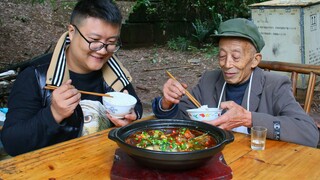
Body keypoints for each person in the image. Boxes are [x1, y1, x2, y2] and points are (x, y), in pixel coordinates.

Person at [1, 0, 143, 156]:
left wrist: (131, 116)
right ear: (72, 32)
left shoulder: (114, 72)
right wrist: (53, 114)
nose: (103, 51)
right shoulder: (35, 75)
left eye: (111, 42)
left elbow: (135, 106)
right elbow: (12, 142)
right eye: (94, 40)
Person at [152, 18, 319, 147]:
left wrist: (249, 119)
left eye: (236, 57)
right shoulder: (210, 80)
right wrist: (168, 103)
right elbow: (182, 115)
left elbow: (309, 133)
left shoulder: (274, 86)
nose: (227, 64)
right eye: (222, 56)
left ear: (255, 60)